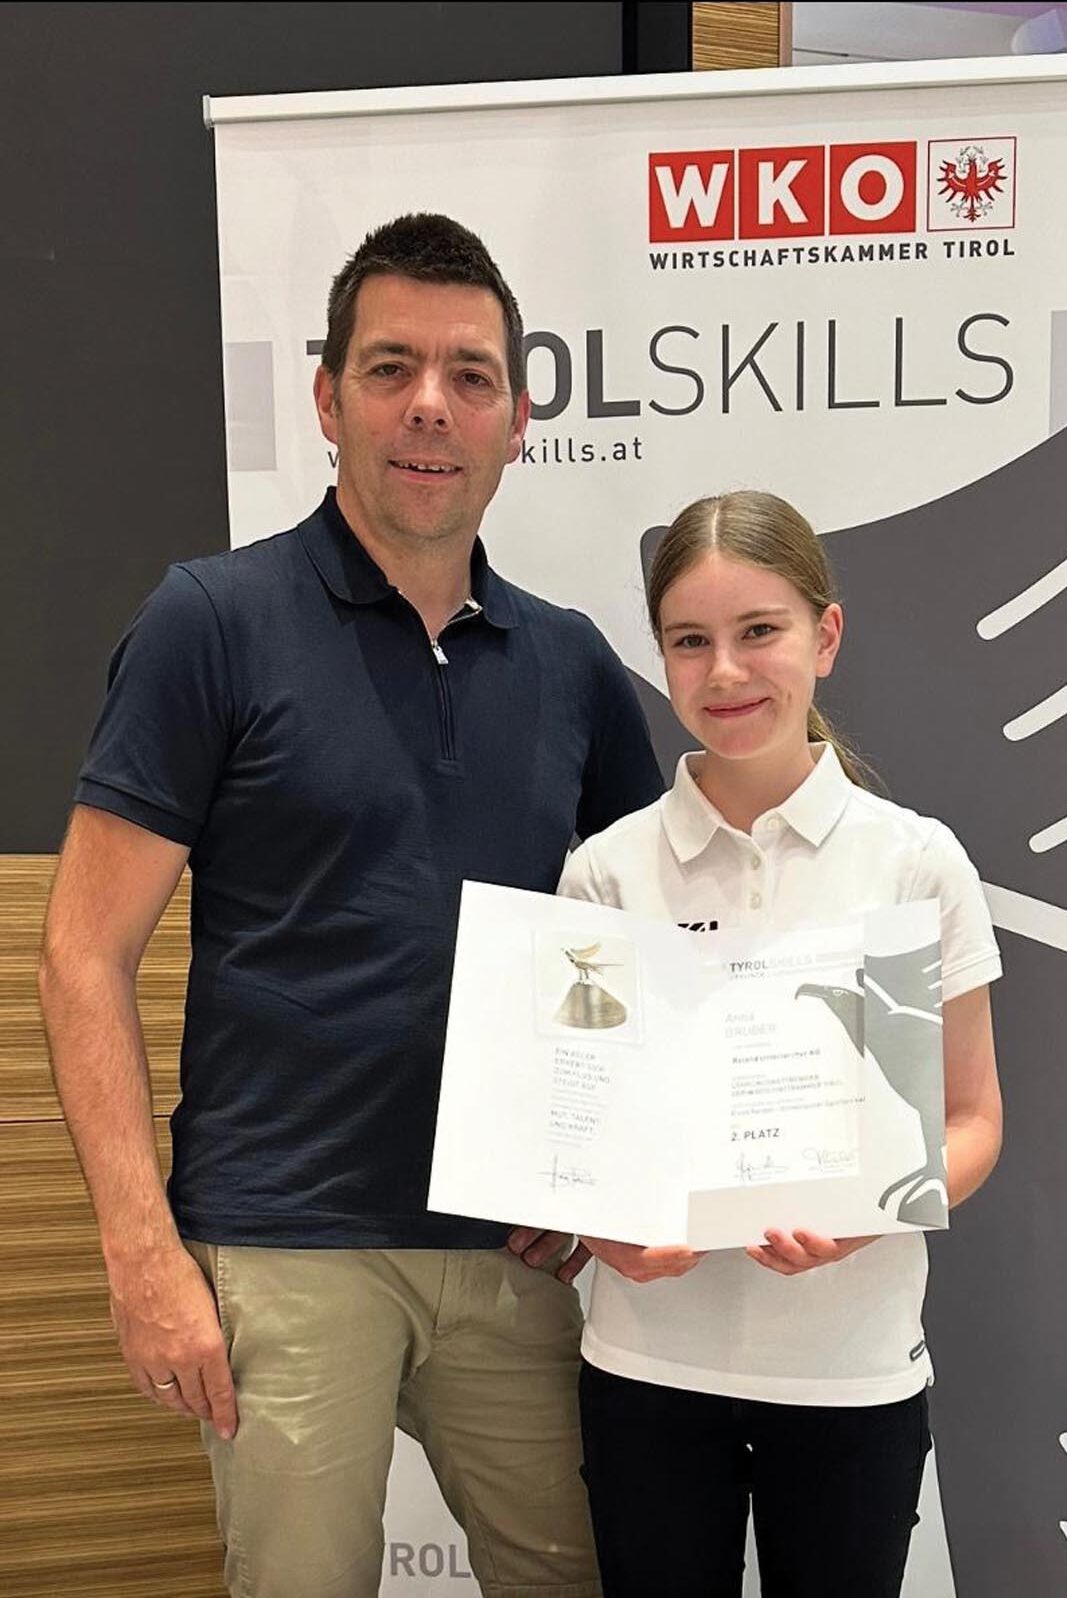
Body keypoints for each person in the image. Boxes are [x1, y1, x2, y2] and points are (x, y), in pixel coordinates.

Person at [38, 212, 663, 1598]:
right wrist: (141, 1253)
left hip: (512, 1258)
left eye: (469, 374)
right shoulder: (211, 621)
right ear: (327, 400)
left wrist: (600, 1173)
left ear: (516, 421)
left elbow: (645, 945)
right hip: (284, 1240)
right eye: (390, 368)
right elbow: (82, 953)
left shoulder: (572, 666)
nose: (429, 404)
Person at [551, 490, 1003, 1598]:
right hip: (647, 1365)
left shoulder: (915, 861)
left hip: (850, 1372)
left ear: (824, 635)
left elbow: (971, 1119)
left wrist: (872, 1209)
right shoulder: (604, 871)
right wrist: (602, 1229)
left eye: (759, 630)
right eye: (687, 640)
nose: (724, 672)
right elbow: (572, 1134)